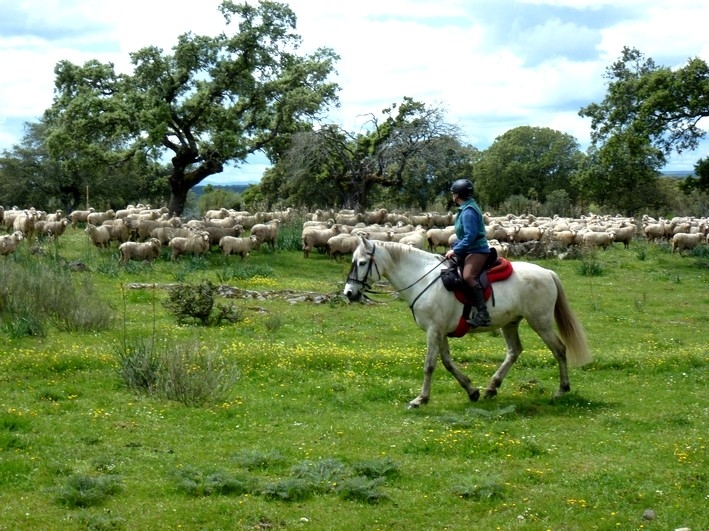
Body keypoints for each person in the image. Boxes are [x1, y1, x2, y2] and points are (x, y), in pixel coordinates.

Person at [444, 178, 492, 328]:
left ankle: (483, 314)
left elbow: (470, 237)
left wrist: (455, 249)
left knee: (467, 276)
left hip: (477, 249)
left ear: (457, 195)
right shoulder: (465, 208)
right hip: (469, 248)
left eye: (453, 193)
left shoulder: (468, 211)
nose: (452, 195)